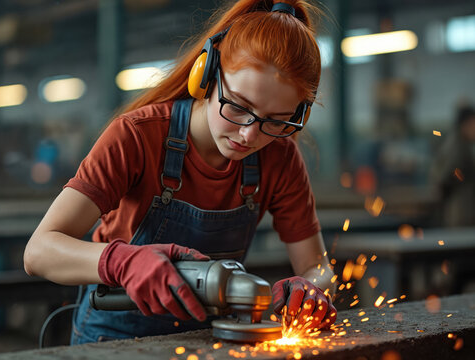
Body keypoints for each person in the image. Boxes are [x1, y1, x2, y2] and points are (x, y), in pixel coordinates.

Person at [24, 0, 337, 344]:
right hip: (115, 337)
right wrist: (123, 263)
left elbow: (317, 267)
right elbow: (39, 252)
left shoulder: (279, 157)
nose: (249, 134)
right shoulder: (137, 136)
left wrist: (310, 288)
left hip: (209, 336)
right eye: (238, 106)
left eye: (274, 121)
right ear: (206, 76)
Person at [431, 104, 475, 227]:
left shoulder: (457, 143)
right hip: (461, 213)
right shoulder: (458, 147)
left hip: (459, 211)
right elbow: (447, 175)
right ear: (465, 124)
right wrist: (459, 178)